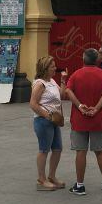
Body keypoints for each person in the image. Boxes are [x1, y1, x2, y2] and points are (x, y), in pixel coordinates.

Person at [65, 48, 102, 195]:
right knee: (100, 151)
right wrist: (97, 107)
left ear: (83, 59)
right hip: (98, 119)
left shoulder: (76, 74)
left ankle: (80, 185)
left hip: (80, 119)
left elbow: (68, 91)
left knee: (81, 151)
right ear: (97, 60)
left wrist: (80, 105)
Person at [29, 56, 66, 191]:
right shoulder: (40, 83)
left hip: (54, 120)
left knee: (57, 148)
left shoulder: (51, 81)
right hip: (43, 121)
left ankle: (52, 176)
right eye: (52, 66)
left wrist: (63, 81)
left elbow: (62, 95)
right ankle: (41, 179)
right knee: (44, 149)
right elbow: (33, 104)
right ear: (45, 68)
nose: (55, 68)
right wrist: (48, 115)